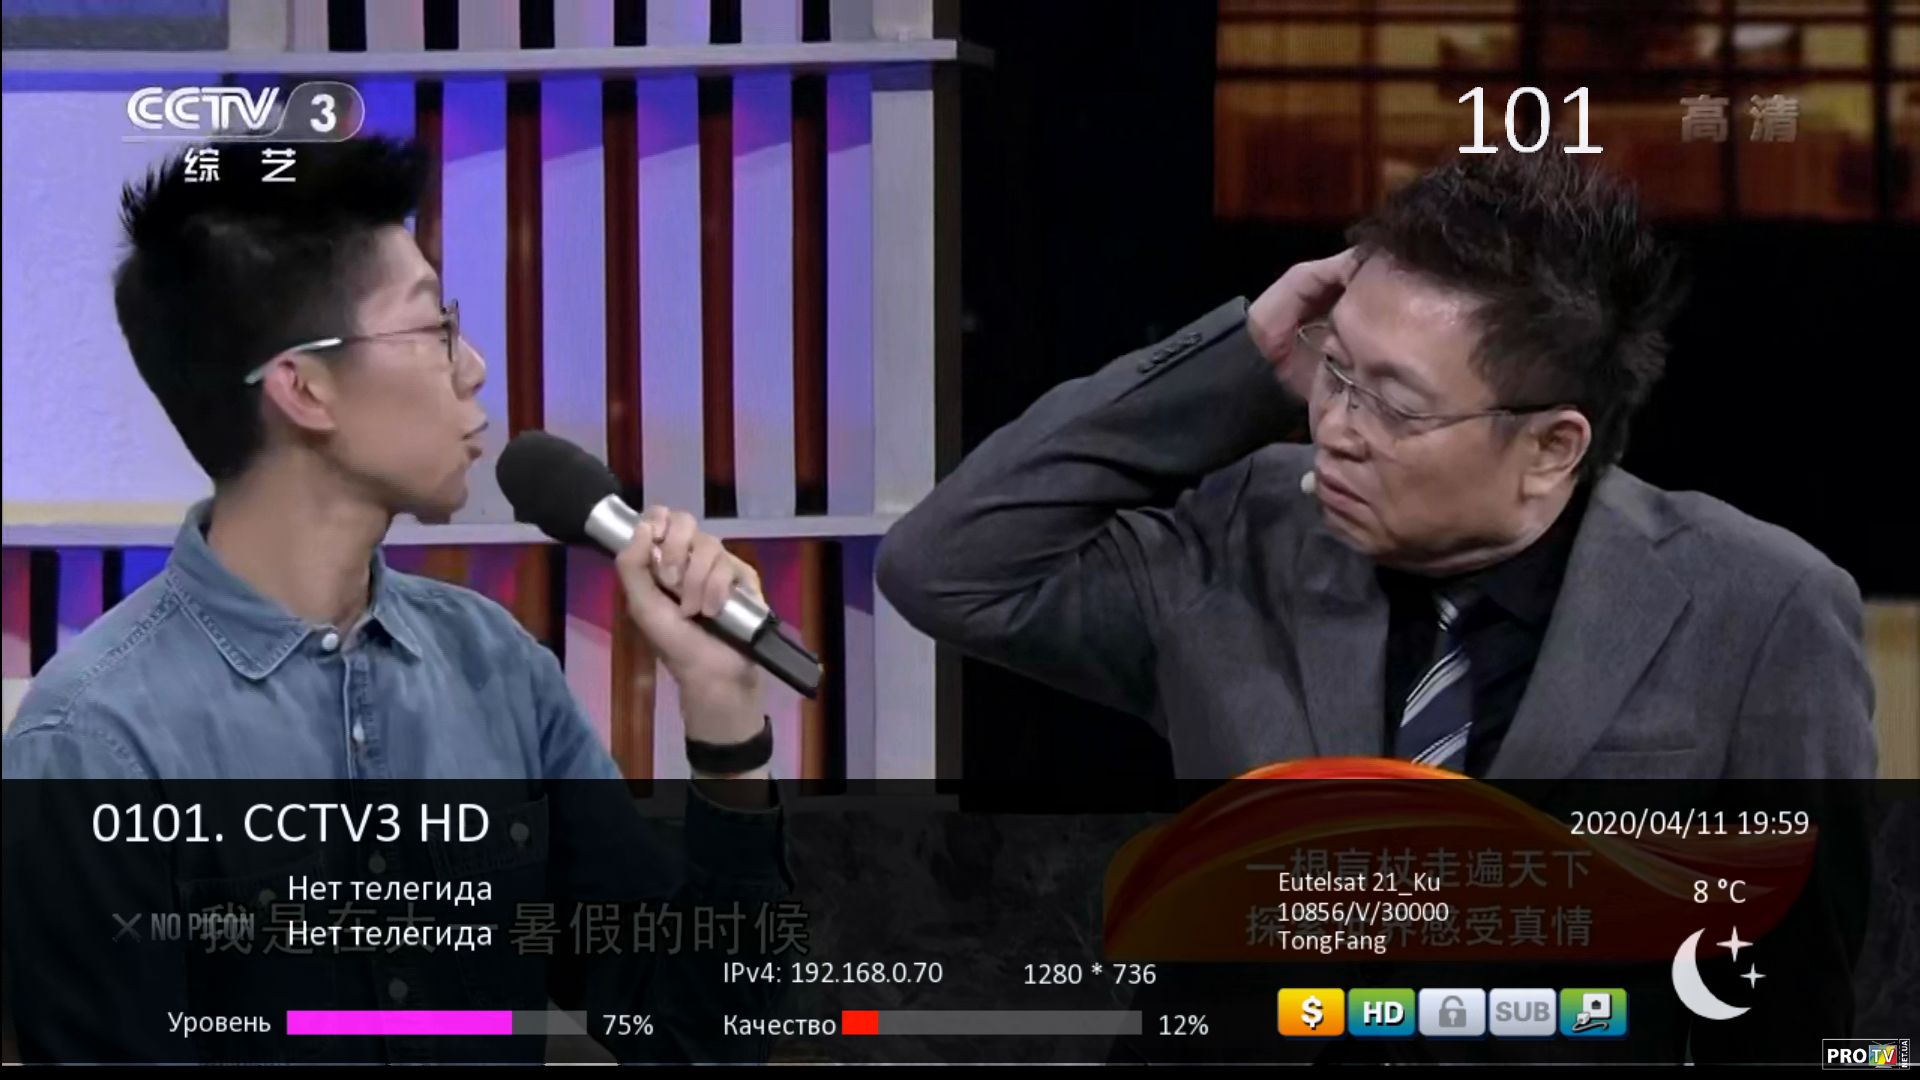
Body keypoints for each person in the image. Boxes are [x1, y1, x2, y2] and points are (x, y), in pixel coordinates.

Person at [1, 137, 787, 1063]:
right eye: (434, 328)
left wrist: (725, 719)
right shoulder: (92, 747)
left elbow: (696, 1040)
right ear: (304, 388)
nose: (474, 367)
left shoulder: (495, 665)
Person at [876, 143, 1875, 783]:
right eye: (1335, 370)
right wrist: (1243, 361)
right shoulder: (1240, 540)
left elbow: (1807, 973)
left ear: (1550, 446)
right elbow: (947, 567)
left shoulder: (1759, 606)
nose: (1336, 428)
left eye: (1393, 402)